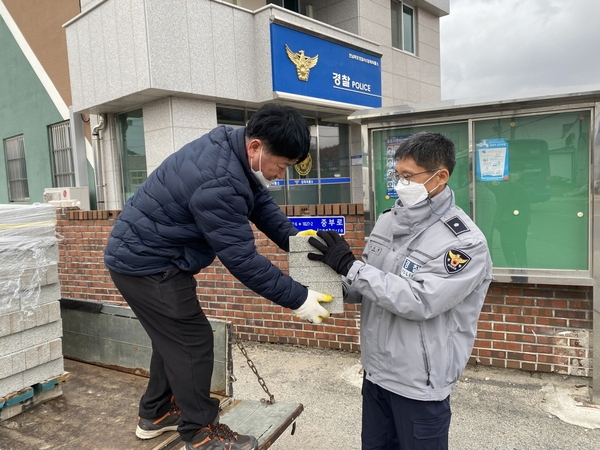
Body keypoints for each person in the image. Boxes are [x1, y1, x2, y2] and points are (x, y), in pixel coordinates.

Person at [104, 103, 332, 450]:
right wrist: (299, 298)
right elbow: (244, 262)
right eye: (282, 166)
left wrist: (299, 245)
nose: (281, 175)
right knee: (192, 340)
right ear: (256, 147)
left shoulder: (231, 147)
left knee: (173, 337)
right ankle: (200, 434)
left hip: (146, 254)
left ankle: (157, 413)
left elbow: (261, 206)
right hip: (147, 264)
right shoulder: (219, 180)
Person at [307, 131, 493, 450]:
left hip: (419, 384)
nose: (400, 183)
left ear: (440, 176)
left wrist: (352, 267)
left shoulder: (463, 243)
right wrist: (325, 281)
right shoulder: (387, 222)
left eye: (408, 176)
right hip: (376, 373)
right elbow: (366, 285)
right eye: (398, 174)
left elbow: (419, 300)